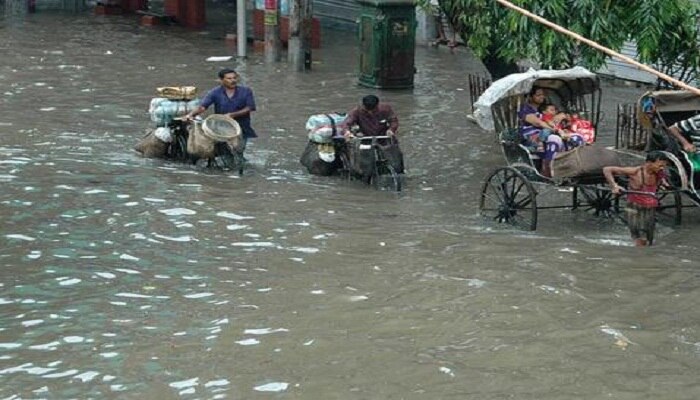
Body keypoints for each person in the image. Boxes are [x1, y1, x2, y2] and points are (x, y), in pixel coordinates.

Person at [603, 153, 669, 247]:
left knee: (650, 238)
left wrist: (663, 183)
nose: (662, 168)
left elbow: (663, 180)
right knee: (640, 238)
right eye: (660, 165)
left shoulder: (659, 173)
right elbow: (607, 169)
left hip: (650, 209)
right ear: (649, 163)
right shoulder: (635, 171)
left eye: (664, 166)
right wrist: (614, 186)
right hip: (634, 208)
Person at [185, 68, 257, 151]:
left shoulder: (246, 91)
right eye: (229, 78)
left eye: (234, 78)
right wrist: (191, 114)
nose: (233, 80)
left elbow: (250, 107)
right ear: (221, 80)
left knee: (239, 150)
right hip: (221, 128)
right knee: (223, 151)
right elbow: (203, 107)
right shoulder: (215, 92)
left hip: (241, 126)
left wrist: (232, 115)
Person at [518, 87, 565, 177]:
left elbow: (556, 118)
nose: (542, 97)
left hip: (546, 136)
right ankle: (546, 168)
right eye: (538, 95)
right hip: (532, 137)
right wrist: (554, 130)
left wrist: (561, 116)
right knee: (553, 137)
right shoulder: (525, 109)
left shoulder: (544, 109)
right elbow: (537, 122)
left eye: (543, 95)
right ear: (531, 97)